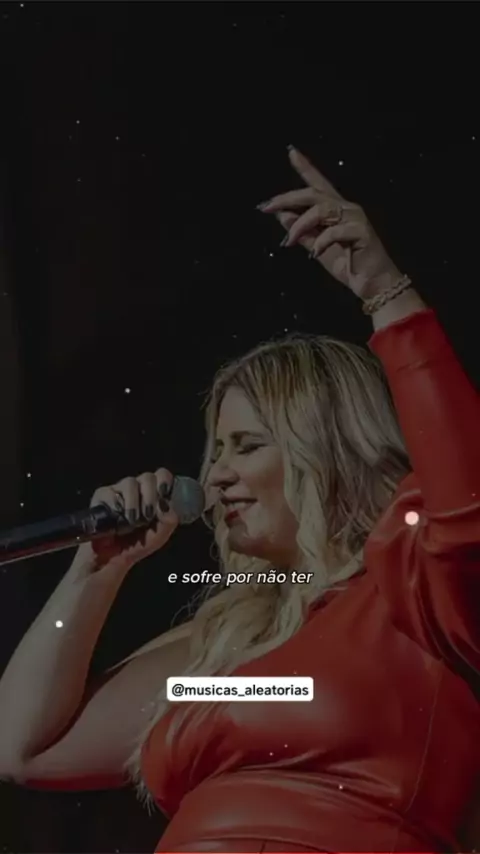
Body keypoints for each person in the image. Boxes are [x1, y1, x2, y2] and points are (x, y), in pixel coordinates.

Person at [0, 147, 478, 854]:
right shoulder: (230, 645)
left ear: (330, 451)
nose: (216, 473)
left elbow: (465, 506)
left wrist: (387, 296)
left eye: (247, 446)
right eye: (216, 450)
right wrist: (93, 573)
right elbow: (24, 747)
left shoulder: (417, 595)